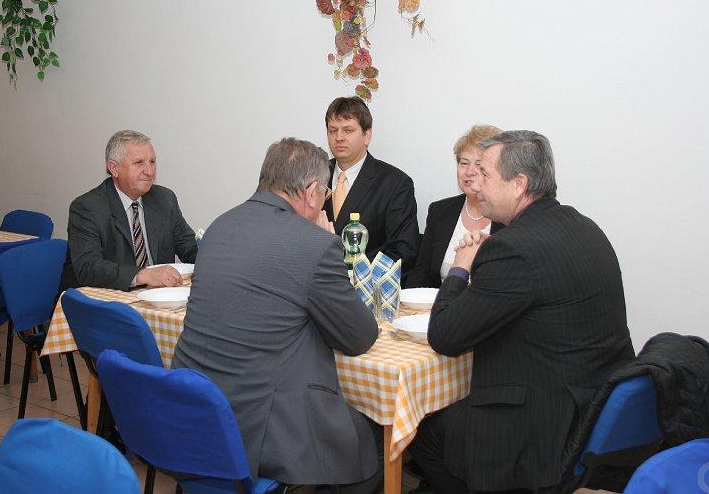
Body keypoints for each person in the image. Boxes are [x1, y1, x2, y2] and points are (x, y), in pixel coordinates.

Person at [409, 130, 634, 492]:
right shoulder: (585, 226)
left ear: (519, 185)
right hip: (594, 406)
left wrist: (461, 267)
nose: (475, 182)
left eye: (485, 174)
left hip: (542, 428)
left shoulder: (512, 248)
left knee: (424, 433)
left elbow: (445, 336)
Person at [172, 138, 381, 491]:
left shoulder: (220, 226)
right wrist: (323, 246)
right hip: (258, 426)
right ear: (312, 192)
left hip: (193, 411)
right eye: (325, 195)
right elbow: (359, 337)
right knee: (369, 444)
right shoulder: (314, 244)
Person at [60, 130, 197, 291]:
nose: (150, 171)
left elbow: (189, 247)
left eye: (152, 162)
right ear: (114, 168)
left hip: (156, 297)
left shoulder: (164, 199)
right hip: (101, 299)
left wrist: (215, 260)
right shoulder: (87, 207)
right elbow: (88, 267)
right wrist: (142, 275)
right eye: (139, 163)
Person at [322, 97, 420, 272]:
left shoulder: (395, 184)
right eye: (332, 130)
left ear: (367, 135)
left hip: (366, 284)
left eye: (348, 130)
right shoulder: (313, 177)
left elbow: (402, 251)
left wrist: (353, 274)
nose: (339, 137)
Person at [405, 124, 505, 288]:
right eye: (464, 163)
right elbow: (421, 274)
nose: (469, 171)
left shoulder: (510, 216)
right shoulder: (440, 211)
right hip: (440, 301)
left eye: (479, 164)